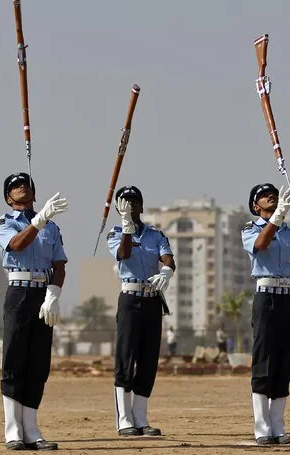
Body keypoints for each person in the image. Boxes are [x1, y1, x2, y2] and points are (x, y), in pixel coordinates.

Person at [0, 172, 68, 450]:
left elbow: (59, 264)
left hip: (43, 293)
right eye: (14, 186)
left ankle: (32, 429)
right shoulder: (4, 223)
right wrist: (39, 221)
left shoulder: (52, 228)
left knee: (38, 363)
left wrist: (54, 294)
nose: (21, 187)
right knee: (14, 361)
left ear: (34, 194)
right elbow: (16, 244)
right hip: (19, 293)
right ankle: (13, 430)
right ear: (8, 198)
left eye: (25, 184)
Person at [242, 183, 290, 446]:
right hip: (266, 297)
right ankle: (262, 427)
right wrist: (276, 217)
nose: (271, 196)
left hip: (288, 299)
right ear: (255, 206)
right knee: (264, 361)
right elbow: (260, 245)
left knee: (285, 364)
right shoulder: (250, 229)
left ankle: (278, 426)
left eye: (273, 193)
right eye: (263, 195)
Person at [107, 185, 175, 437]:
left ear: (142, 206)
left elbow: (168, 257)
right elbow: (123, 255)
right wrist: (126, 226)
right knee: (126, 359)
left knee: (148, 360)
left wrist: (166, 271)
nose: (131, 205)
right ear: (118, 207)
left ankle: (141, 417)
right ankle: (124, 419)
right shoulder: (115, 234)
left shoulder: (155, 234)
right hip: (130, 299)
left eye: (135, 201)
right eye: (125, 202)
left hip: (152, 299)